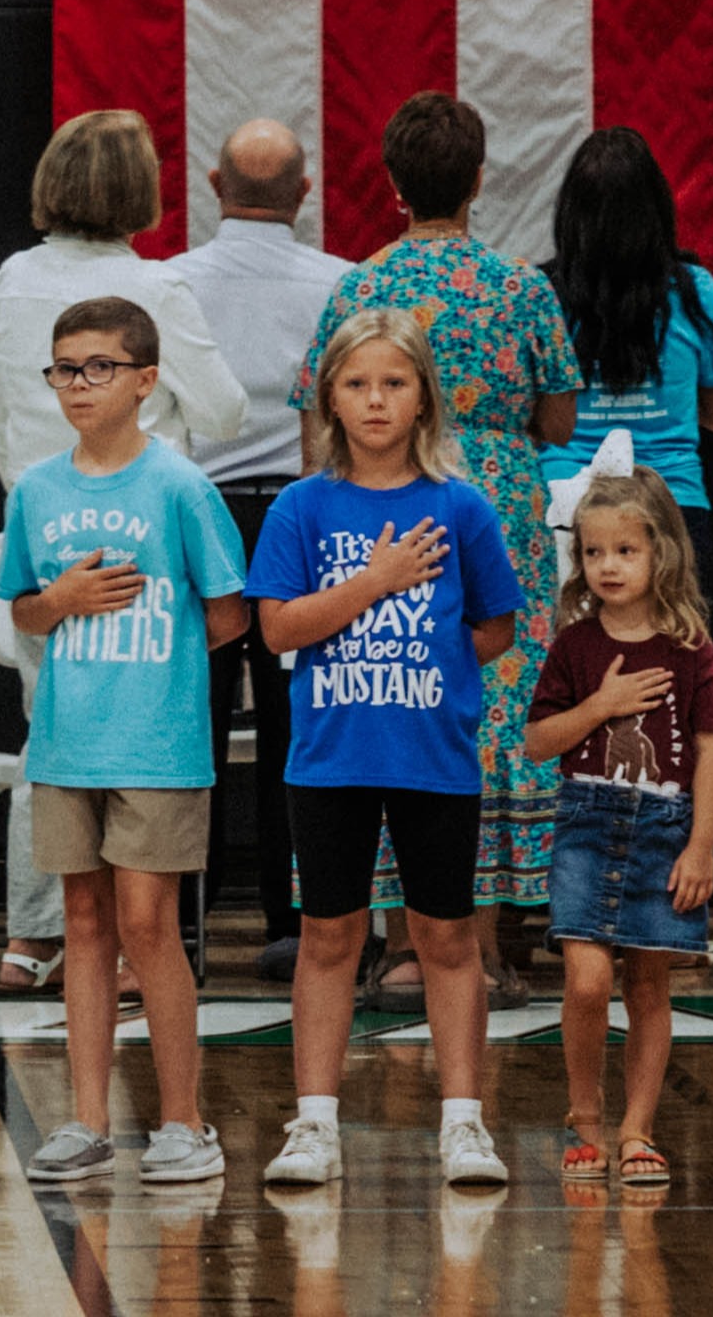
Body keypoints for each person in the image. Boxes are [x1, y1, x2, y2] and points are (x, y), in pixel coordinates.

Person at [252, 307, 525, 1193]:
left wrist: (429, 666)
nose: (375, 400)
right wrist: (375, 583)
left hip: (433, 755)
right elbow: (281, 627)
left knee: (447, 939)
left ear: (422, 400)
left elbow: (493, 626)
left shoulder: (460, 506)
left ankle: (464, 1122)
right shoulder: (302, 506)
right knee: (328, 937)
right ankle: (314, 1124)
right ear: (329, 397)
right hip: (330, 756)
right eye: (359, 383)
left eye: (394, 383)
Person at [305, 94, 578, 968]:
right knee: (491, 701)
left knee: (392, 686)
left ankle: (397, 945)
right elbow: (563, 417)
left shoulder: (361, 285)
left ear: (391, 183)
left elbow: (316, 409)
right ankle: (482, 943)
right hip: (498, 497)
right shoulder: (522, 284)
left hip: (388, 499)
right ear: (479, 181)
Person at [0, 107, 244, 986]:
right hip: (138, 536)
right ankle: (137, 950)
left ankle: (31, 937)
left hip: (42, 524)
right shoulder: (155, 288)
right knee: (134, 740)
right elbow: (226, 410)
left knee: (49, 737)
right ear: (142, 192)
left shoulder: (11, 280)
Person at [0, 295, 251, 1189]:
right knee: (82, 926)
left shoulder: (179, 485)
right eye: (65, 368)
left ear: (146, 381)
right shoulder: (37, 489)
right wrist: (58, 603)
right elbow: (23, 607)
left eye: (98, 367)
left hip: (156, 739)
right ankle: (88, 1120)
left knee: (149, 925)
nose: (78, 384)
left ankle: (185, 1122)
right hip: (68, 739)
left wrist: (164, 662)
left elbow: (227, 614)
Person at [522, 473, 713, 1192]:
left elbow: (708, 750)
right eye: (594, 551)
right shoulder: (576, 647)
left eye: (625, 550)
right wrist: (601, 705)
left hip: (664, 828)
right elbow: (538, 742)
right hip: (587, 820)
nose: (608, 565)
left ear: (661, 554)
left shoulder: (689, 647)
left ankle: (637, 1127)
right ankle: (586, 1117)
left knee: (648, 985)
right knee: (587, 977)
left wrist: (700, 844)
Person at [175, 118, 346, 964]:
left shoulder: (169, 282)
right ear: (303, 194)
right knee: (295, 727)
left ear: (213, 185)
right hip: (297, 514)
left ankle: (179, 924)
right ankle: (292, 923)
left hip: (196, 514)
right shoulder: (342, 284)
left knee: (189, 725)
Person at [539, 127, 713, 516]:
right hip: (672, 506)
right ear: (657, 208)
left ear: (570, 212)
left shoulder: (543, 292)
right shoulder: (695, 289)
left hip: (566, 503)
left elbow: (536, 417)